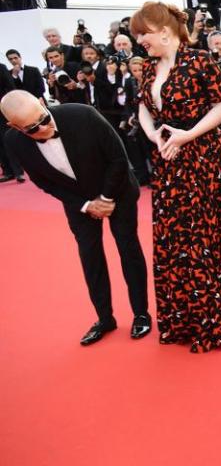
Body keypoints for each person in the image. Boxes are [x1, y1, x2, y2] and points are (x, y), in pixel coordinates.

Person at [131, 1, 221, 352]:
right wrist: (155, 135)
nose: (140, 40)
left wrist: (187, 135)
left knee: (205, 235)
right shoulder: (150, 69)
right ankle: (183, 316)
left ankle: (217, 312)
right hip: (170, 162)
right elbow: (142, 108)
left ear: (165, 31)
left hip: (205, 159)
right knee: (174, 239)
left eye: (144, 33)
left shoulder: (199, 60)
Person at [1, 91, 150, 345]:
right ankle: (105, 319)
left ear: (42, 102)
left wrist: (105, 198)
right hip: (78, 202)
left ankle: (141, 314)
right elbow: (44, 182)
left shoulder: (83, 115)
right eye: (32, 129)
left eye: (44, 119)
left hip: (118, 189)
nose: (43, 128)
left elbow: (118, 159)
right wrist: (85, 205)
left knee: (128, 248)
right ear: (14, 126)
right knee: (90, 257)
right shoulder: (15, 141)